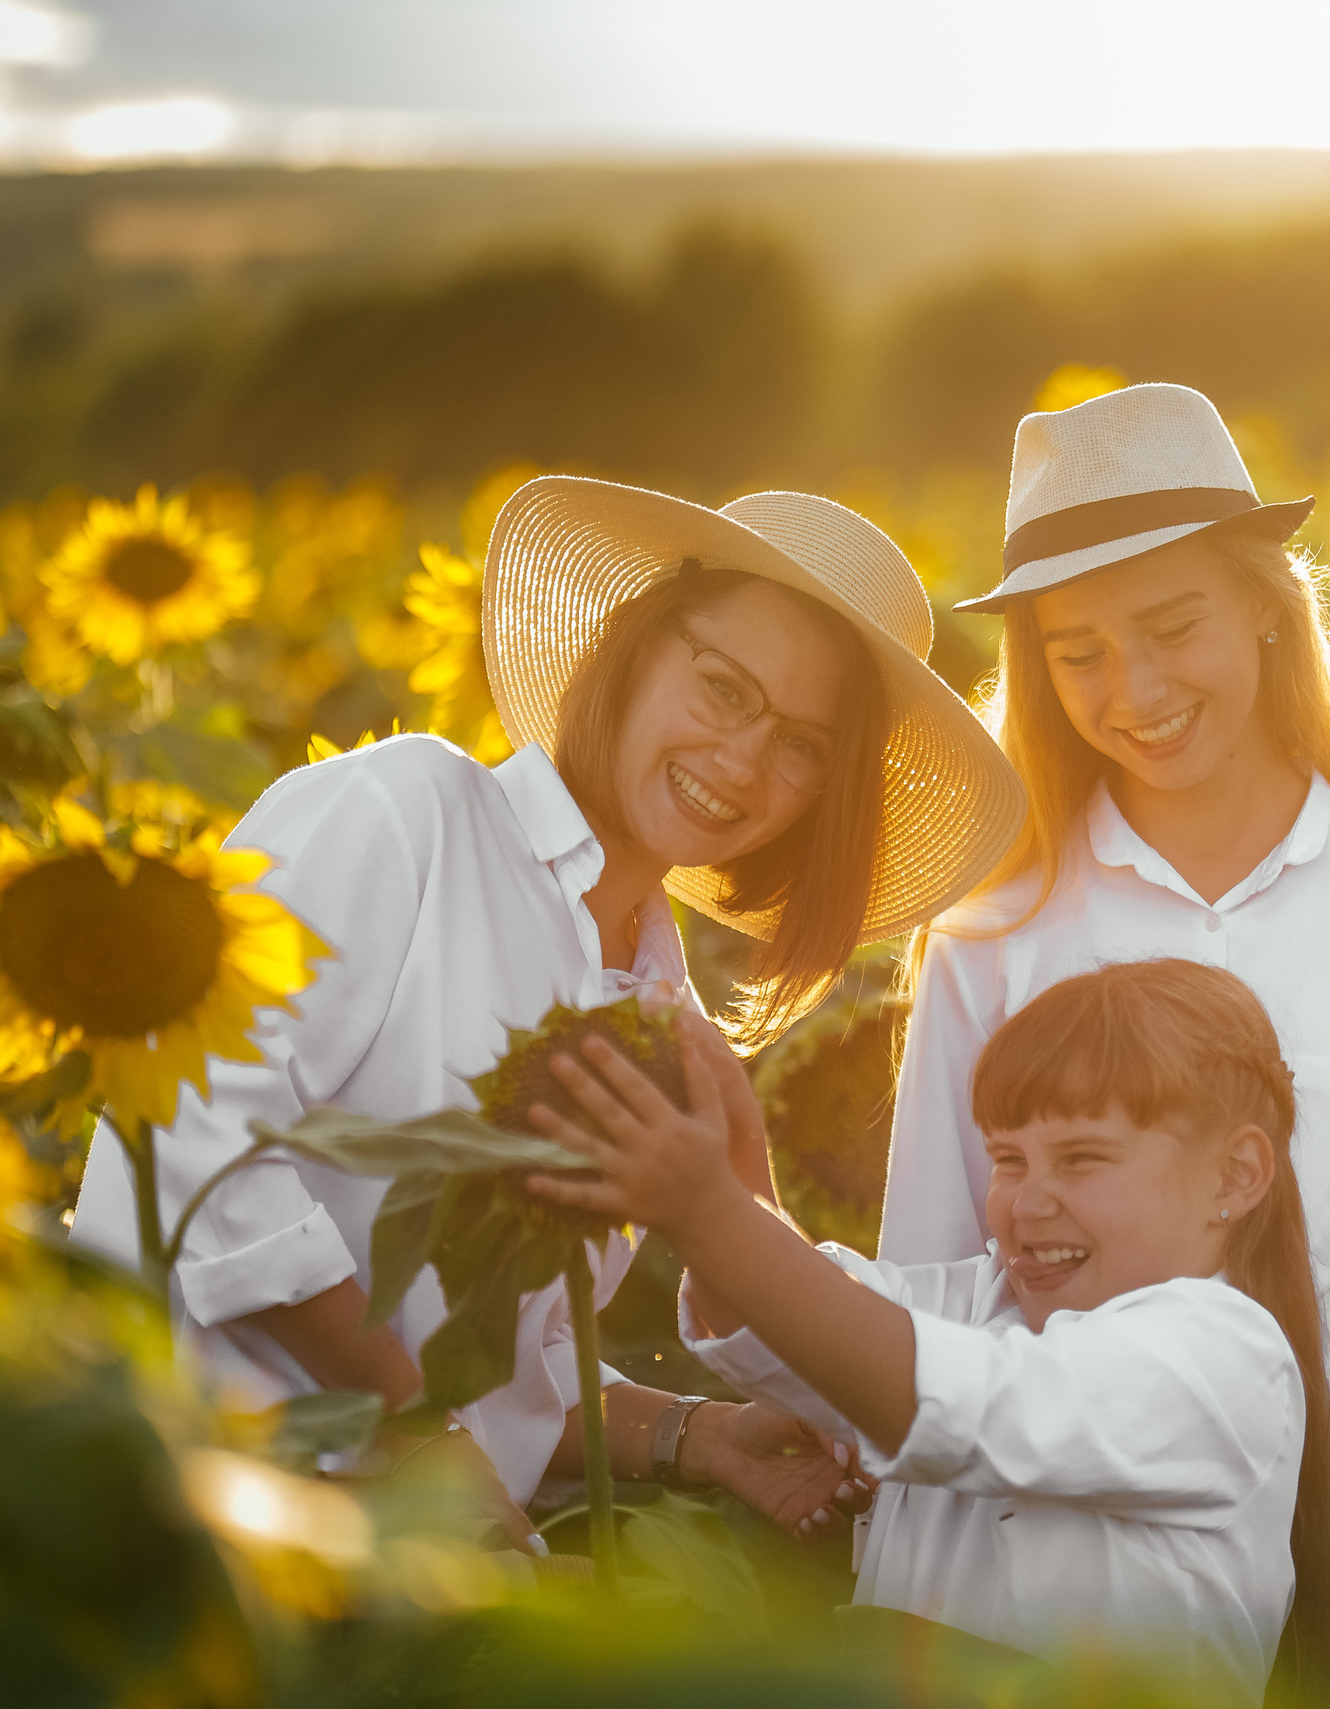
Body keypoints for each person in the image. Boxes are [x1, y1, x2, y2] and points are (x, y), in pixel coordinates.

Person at [72, 481, 1024, 1548]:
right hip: (170, 1516)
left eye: (802, 745)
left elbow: (493, 1383)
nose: (746, 760)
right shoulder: (406, 812)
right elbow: (190, 1128)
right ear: (632, 644)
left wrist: (690, 1435)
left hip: (393, 1585)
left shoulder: (659, 1005)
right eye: (722, 687)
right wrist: (415, 1435)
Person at [878, 382, 1330, 1703]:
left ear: (1268, 607)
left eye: (1171, 625)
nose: (1134, 689)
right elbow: (927, 1263)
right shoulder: (993, 927)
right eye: (1076, 650)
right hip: (1053, 1502)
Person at [524, 958, 1330, 1706]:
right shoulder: (983, 1295)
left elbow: (973, 1403)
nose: (1028, 1201)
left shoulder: (1224, 1354)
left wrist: (710, 1215)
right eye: (1009, 1159)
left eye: (1083, 1158)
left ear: (1234, 1175)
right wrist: (737, 1154)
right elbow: (808, 1341)